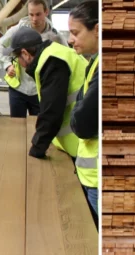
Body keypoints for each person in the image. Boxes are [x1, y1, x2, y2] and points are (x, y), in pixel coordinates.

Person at [9, 27, 87, 159]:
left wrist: (37, 148)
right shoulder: (54, 53)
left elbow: (51, 111)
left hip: (81, 143)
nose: (19, 63)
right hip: (78, 136)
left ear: (25, 54)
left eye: (17, 58)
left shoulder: (51, 62)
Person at [0, 0, 64, 118]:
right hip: (18, 87)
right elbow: (1, 49)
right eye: (31, 14)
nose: (34, 19)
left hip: (40, 89)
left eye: (38, 14)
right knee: (16, 125)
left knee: (39, 124)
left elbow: (67, 58)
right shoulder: (16, 31)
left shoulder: (55, 37)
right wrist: (8, 65)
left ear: (46, 12)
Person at [68, 1, 100, 227]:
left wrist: (77, 114)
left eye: (75, 33)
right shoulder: (95, 62)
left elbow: (82, 123)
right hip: (91, 177)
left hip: (98, 181)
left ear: (97, 30)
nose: (71, 40)